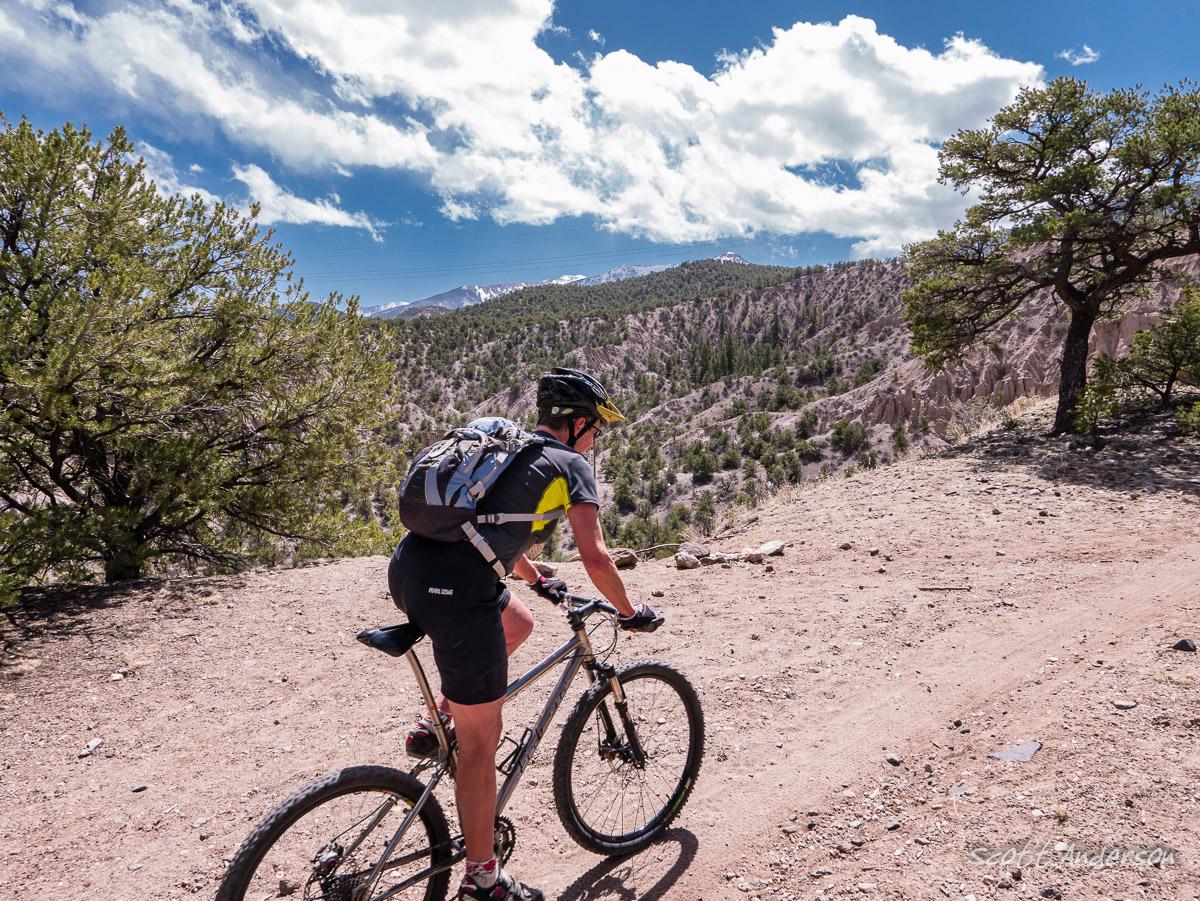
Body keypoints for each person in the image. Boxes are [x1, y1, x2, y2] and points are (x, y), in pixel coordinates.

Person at [387, 367, 661, 901]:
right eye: (596, 427)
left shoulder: (503, 448)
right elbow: (596, 556)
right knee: (479, 746)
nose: (596, 437)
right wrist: (630, 611)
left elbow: (485, 533)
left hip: (408, 571)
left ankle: (435, 718)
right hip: (458, 595)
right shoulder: (570, 465)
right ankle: (482, 880)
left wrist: (536, 580)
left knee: (518, 621)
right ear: (578, 423)